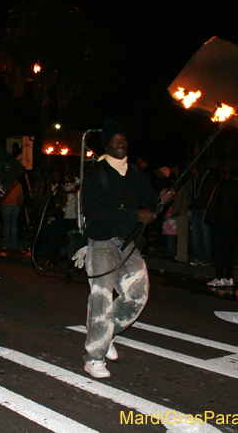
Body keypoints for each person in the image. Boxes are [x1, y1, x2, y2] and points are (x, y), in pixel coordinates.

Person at [77, 118, 172, 379]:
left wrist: (160, 200)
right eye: (114, 139)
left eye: (123, 138)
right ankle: (93, 358)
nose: (120, 143)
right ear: (106, 144)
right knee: (101, 298)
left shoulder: (136, 172)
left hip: (128, 244)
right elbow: (93, 210)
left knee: (138, 295)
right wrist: (134, 215)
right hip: (102, 244)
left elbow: (150, 203)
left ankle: (105, 333)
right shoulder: (96, 173)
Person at [206, 169, 238, 287]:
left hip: (220, 221)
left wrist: (208, 217)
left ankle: (219, 277)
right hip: (232, 223)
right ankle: (229, 276)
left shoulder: (222, 185)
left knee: (219, 249)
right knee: (229, 250)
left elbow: (214, 201)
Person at [189, 159, 217, 266]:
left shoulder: (210, 178)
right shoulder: (196, 178)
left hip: (204, 210)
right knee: (196, 235)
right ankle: (197, 257)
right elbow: (193, 194)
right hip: (196, 209)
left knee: (206, 236)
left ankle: (206, 258)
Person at [2, 178, 24, 251]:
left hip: (7, 205)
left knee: (7, 226)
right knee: (14, 226)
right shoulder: (18, 184)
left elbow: (2, 194)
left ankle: (7, 244)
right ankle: (14, 244)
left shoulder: (7, 183)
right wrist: (19, 204)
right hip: (15, 206)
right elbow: (21, 196)